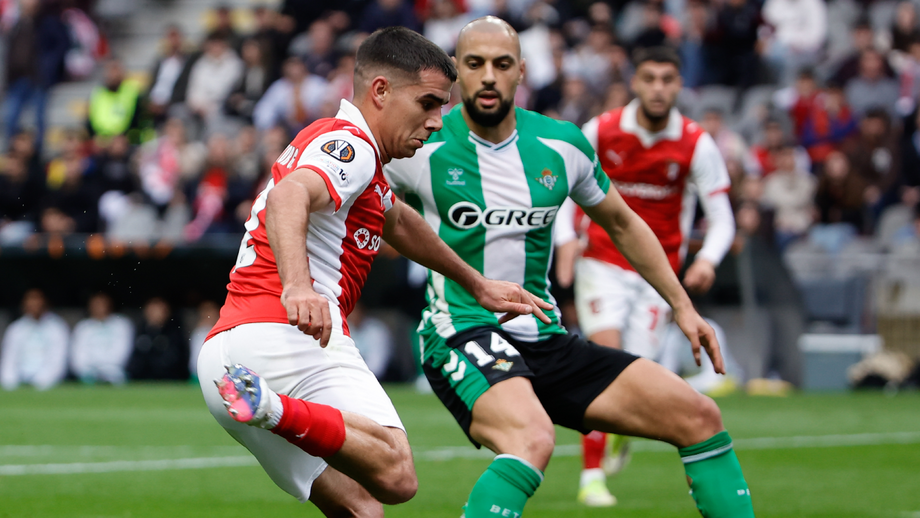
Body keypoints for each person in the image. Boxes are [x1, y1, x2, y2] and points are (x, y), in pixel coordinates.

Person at [384, 18, 754, 518]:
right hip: (461, 329)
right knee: (531, 438)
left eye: (501, 64)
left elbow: (623, 223)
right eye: (474, 64)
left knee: (699, 415)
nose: (488, 76)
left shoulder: (562, 145)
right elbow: (344, 196)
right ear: (456, 74)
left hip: (545, 337)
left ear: (522, 73)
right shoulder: (421, 144)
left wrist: (683, 307)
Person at [197, 27, 553, 516]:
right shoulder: (351, 146)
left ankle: (267, 406)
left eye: (443, 106)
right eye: (428, 103)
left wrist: (477, 283)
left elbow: (401, 221)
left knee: (363, 510)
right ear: (380, 91)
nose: (437, 121)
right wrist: (299, 286)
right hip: (286, 336)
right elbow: (288, 197)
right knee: (396, 473)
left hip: (225, 360)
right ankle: (271, 407)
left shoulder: (359, 161)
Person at [551, 46, 737, 506]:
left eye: (667, 79)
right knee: (605, 358)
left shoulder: (695, 142)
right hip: (603, 262)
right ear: (634, 82)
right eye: (649, 78)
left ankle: (618, 433)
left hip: (659, 275)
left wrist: (708, 258)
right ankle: (591, 478)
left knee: (637, 375)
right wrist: (566, 242)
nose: (658, 88)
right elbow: (562, 186)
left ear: (678, 85)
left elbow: (722, 216)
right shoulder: (602, 130)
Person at [0, 289, 70, 391]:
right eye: (30, 299)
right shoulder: (16, 329)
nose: (34, 303)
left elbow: (57, 361)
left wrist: (40, 382)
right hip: (19, 381)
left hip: (47, 384)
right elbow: (9, 360)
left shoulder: (57, 328)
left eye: (37, 299)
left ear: (45, 302)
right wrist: (9, 383)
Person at [70, 292, 134, 385]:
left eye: (103, 303)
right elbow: (78, 356)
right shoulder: (83, 327)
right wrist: (88, 371)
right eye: (96, 304)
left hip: (114, 373)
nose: (100, 307)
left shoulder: (122, 324)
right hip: (88, 375)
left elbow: (122, 352)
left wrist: (105, 370)